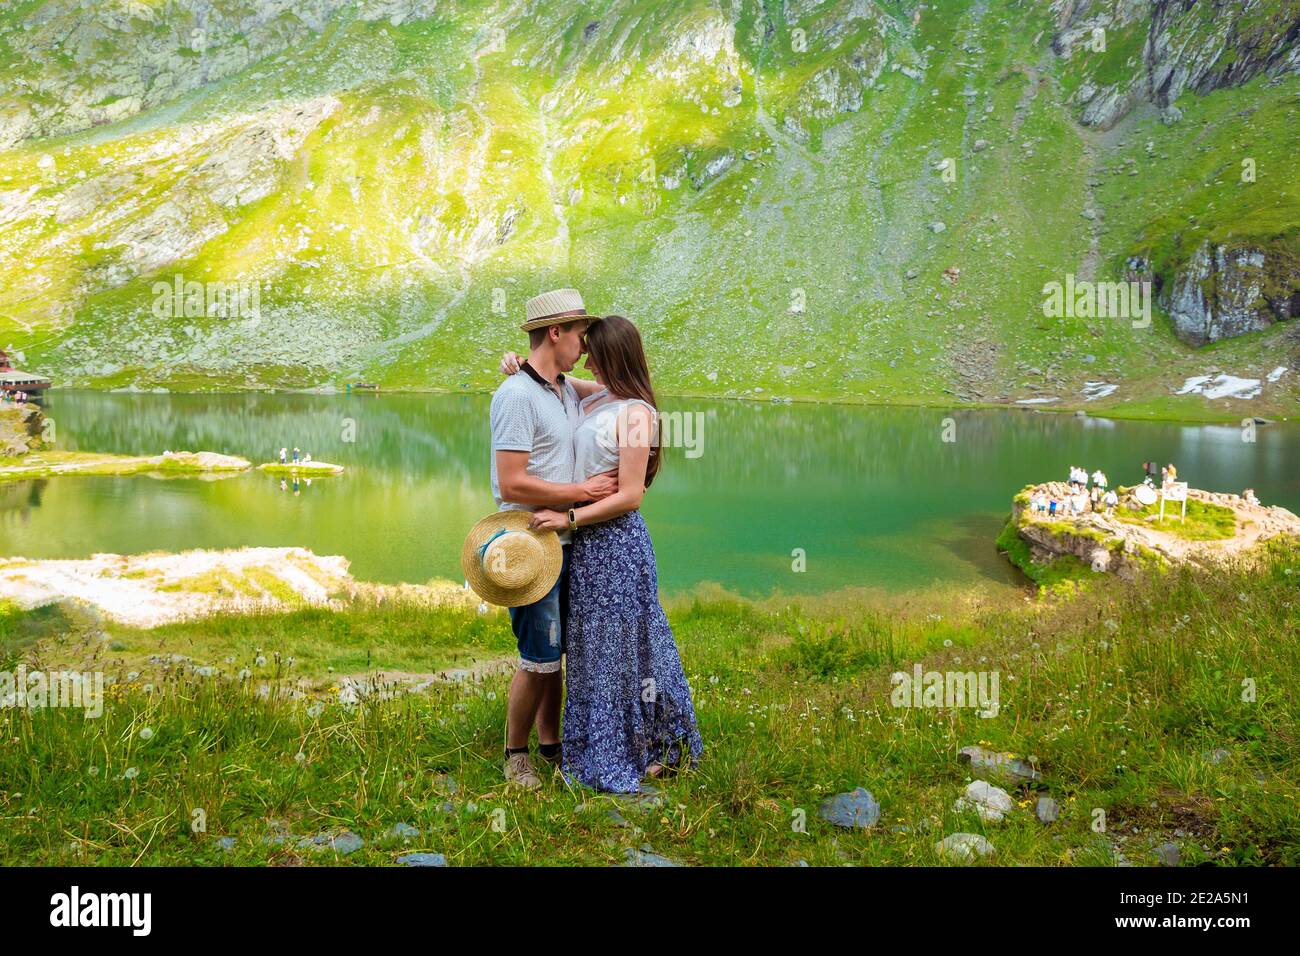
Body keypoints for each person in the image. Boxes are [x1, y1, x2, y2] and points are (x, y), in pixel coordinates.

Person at [507, 316, 702, 793]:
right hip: (588, 548)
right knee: (594, 652)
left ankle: (649, 746)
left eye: (595, 352)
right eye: (585, 350)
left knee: (627, 649)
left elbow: (632, 495)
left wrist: (569, 518)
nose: (587, 358)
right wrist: (515, 364)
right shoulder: (595, 396)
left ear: (614, 356)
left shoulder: (637, 414)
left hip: (616, 544)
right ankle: (592, 742)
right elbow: (548, 375)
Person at [490, 289, 618, 789]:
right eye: (580, 334)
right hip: (529, 542)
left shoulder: (562, 388)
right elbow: (510, 482)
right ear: (556, 332)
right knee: (539, 657)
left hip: (562, 541)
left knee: (556, 652)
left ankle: (551, 746)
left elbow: (614, 389)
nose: (585, 345)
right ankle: (514, 753)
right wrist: (581, 492)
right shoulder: (517, 396)